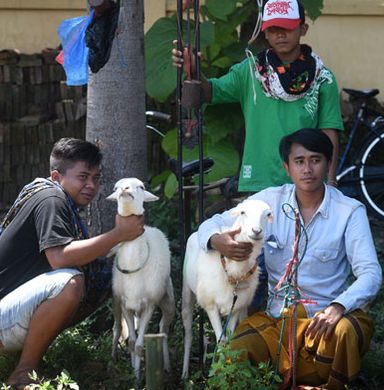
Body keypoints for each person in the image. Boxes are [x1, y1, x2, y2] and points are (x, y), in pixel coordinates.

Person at [196, 128, 382, 389]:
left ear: (329, 164)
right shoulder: (269, 202)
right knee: (235, 351)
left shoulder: (349, 212)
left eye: (315, 160)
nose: (307, 169)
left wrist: (339, 306)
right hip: (277, 319)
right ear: (287, 167)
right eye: (299, 161)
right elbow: (212, 223)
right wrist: (218, 241)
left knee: (346, 333)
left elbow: (371, 274)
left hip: (326, 320)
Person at [0, 138, 144, 387]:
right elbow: (59, 258)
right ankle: (23, 373)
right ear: (56, 176)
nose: (91, 185)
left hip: (10, 313)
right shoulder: (50, 199)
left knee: (102, 276)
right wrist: (118, 234)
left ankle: (32, 358)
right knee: (70, 283)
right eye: (83, 177)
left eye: (96, 178)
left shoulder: (55, 199)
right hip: (4, 317)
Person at [172, 0, 344, 192]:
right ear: (265, 33)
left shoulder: (323, 78)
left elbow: (329, 130)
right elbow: (210, 92)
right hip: (258, 181)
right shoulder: (249, 70)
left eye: (287, 27)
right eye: (273, 29)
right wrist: (194, 72)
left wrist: (331, 183)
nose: (280, 34)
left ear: (303, 29)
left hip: (307, 184)